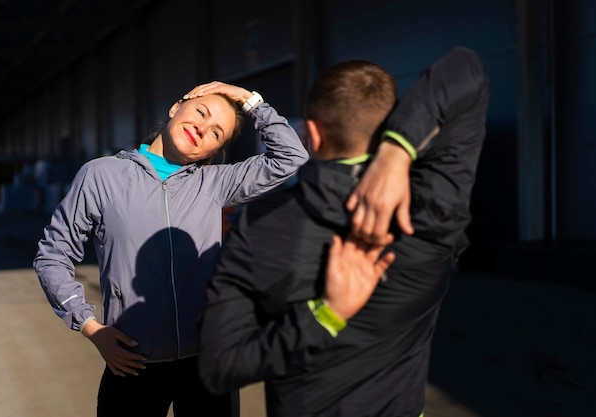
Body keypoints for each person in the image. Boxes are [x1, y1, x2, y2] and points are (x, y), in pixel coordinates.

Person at [197, 46, 490, 417]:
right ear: (392, 125)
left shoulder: (259, 229)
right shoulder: (431, 208)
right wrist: (397, 152)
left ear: (312, 135)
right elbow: (466, 68)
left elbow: (219, 368)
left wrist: (327, 315)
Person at [33, 81, 309, 417]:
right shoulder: (101, 176)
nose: (202, 128)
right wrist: (91, 327)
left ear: (213, 151)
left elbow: (292, 156)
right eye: (201, 112)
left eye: (216, 133)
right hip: (133, 363)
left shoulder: (216, 184)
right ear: (176, 107)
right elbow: (53, 254)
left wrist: (246, 98)